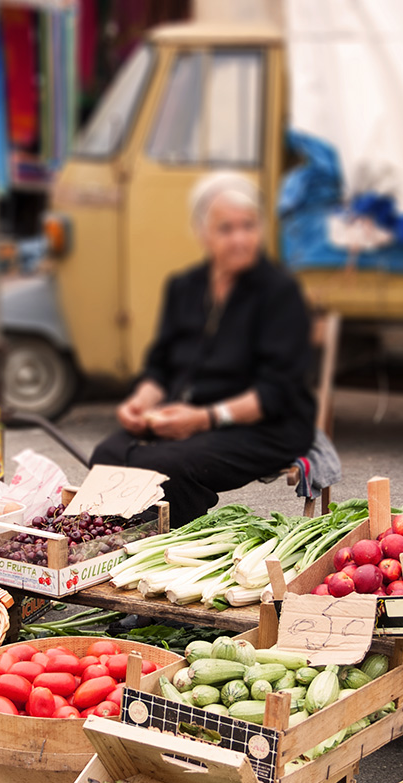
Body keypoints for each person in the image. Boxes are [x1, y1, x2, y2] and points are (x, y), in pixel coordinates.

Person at [89, 172, 316, 526]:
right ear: (202, 233)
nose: (240, 239)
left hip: (265, 425)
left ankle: (162, 541)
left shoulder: (279, 293)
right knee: (107, 454)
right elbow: (161, 366)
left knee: (165, 467)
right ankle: (121, 537)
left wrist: (203, 418)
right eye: (226, 228)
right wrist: (141, 402)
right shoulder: (185, 287)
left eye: (249, 226)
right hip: (192, 419)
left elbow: (276, 391)